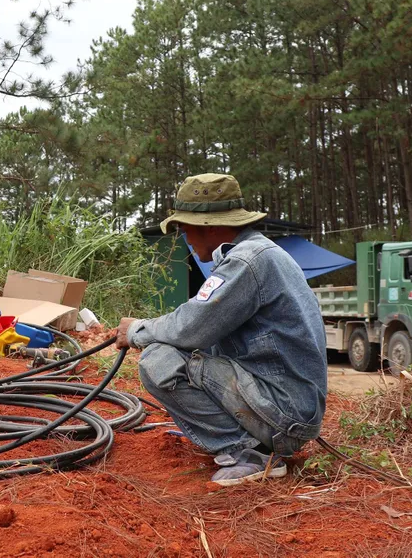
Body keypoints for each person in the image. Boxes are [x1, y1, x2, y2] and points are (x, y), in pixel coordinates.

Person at [116, 173, 327, 486]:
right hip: (289, 405)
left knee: (158, 360)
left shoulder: (247, 261)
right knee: (183, 351)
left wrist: (136, 330)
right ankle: (253, 444)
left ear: (209, 225)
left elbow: (191, 327)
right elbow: (199, 318)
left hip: (285, 414)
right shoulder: (255, 254)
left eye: (184, 226)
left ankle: (249, 454)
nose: (184, 234)